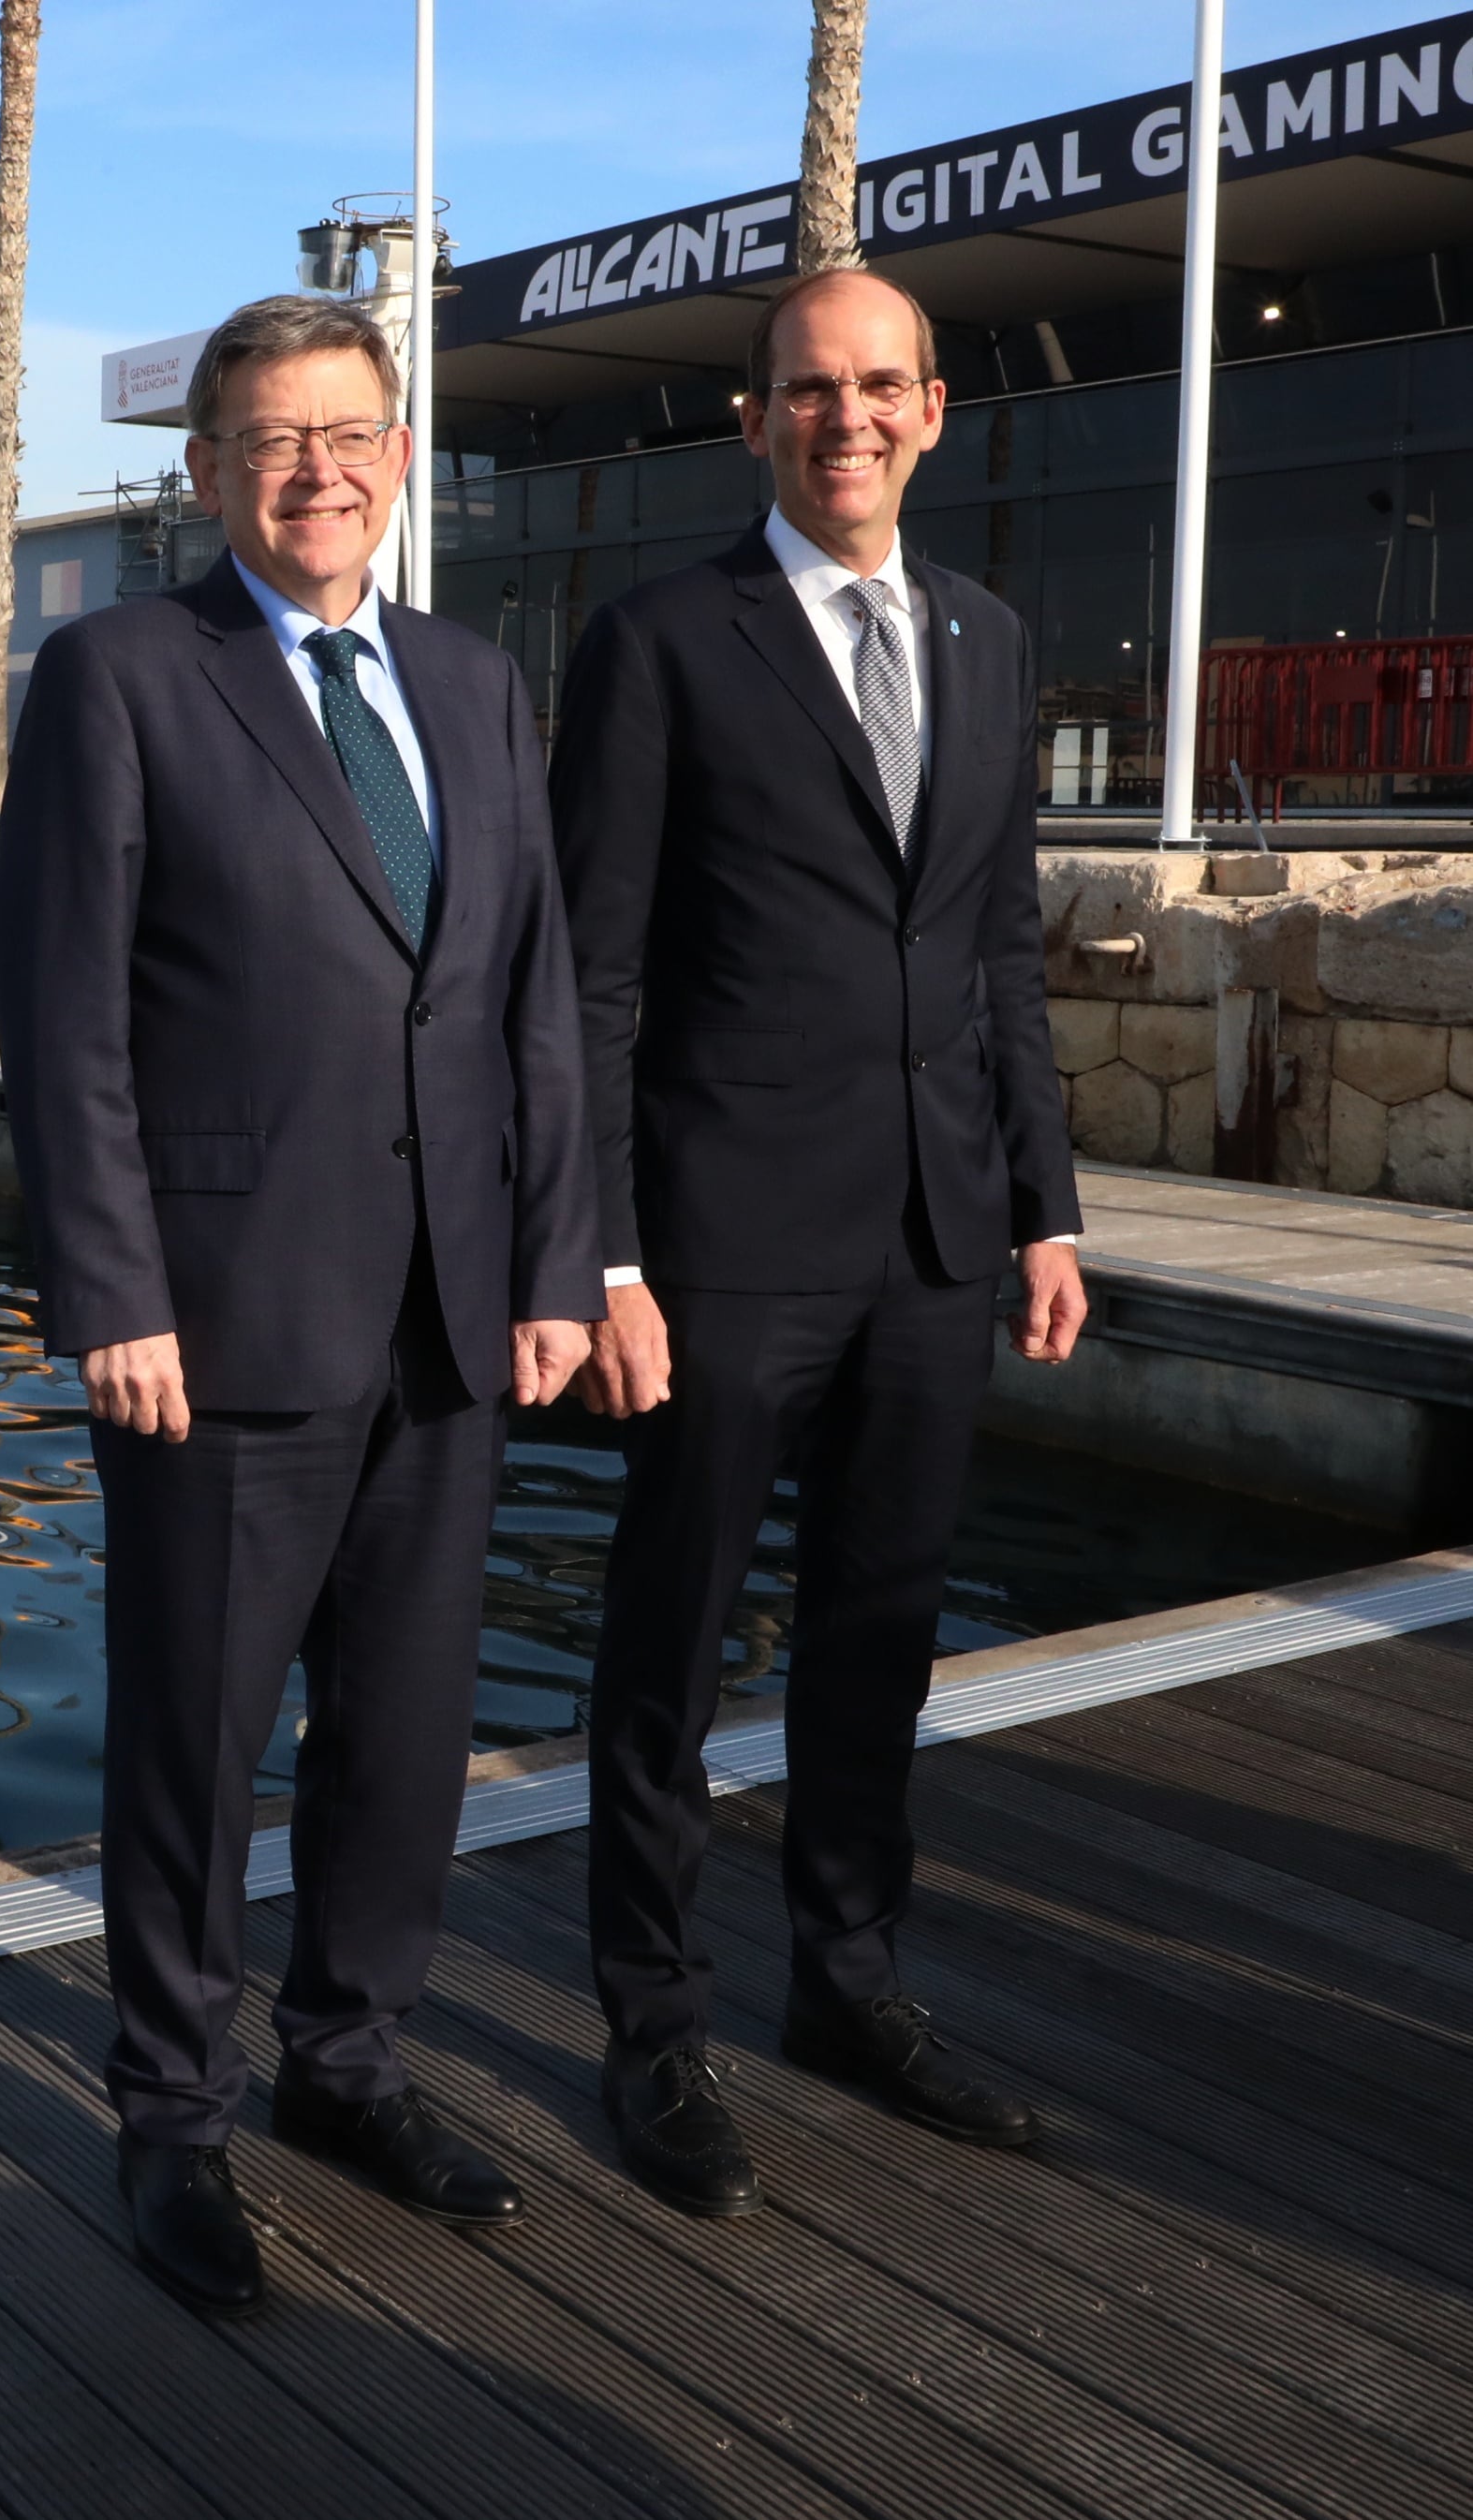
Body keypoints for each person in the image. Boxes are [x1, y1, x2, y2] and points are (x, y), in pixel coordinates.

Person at [0, 296, 602, 2316]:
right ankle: (171, 2111)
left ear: (402, 447)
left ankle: (347, 2061)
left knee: (405, 1733)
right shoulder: (119, 677)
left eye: (347, 430)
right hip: (217, 1318)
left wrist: (549, 1264)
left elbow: (527, 1013)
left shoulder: (475, 684)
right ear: (206, 471)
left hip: (452, 1318)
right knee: (197, 1740)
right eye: (270, 437)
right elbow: (65, 1016)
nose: (315, 468)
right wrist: (113, 1290)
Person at [550, 265, 1087, 2219]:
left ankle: (849, 1983)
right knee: (669, 1650)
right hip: (719, 1246)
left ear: (934, 409)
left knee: (879, 1642)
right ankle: (650, 2019)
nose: (845, 417)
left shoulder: (992, 636)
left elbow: (999, 950)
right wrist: (601, 1257)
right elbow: (593, 984)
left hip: (941, 1242)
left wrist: (1046, 1204)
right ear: (755, 417)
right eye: (808, 389)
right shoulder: (660, 642)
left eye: (879, 387)